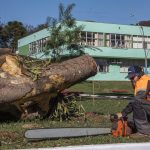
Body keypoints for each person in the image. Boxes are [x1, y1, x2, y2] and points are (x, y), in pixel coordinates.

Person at [117, 65, 150, 137]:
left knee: (136, 102)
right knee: (132, 121)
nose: (131, 79)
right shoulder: (140, 81)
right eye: (130, 78)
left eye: (132, 77)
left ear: (139, 74)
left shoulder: (144, 82)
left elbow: (136, 101)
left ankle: (144, 132)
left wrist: (123, 113)